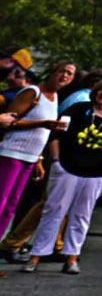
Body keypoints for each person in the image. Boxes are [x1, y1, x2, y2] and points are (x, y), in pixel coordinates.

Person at [24, 76, 102, 274]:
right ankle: (36, 255)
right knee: (53, 210)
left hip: (97, 172)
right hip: (67, 166)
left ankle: (72, 257)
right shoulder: (78, 109)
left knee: (82, 215)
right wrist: (56, 160)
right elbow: (56, 133)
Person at [0, 61, 73, 237]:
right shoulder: (33, 92)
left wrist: (39, 159)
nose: (64, 76)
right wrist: (43, 123)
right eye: (61, 71)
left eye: (69, 74)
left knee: (11, 207)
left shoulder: (55, 97)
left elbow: (43, 134)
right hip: (12, 153)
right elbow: (10, 121)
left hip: (30, 157)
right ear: (52, 72)